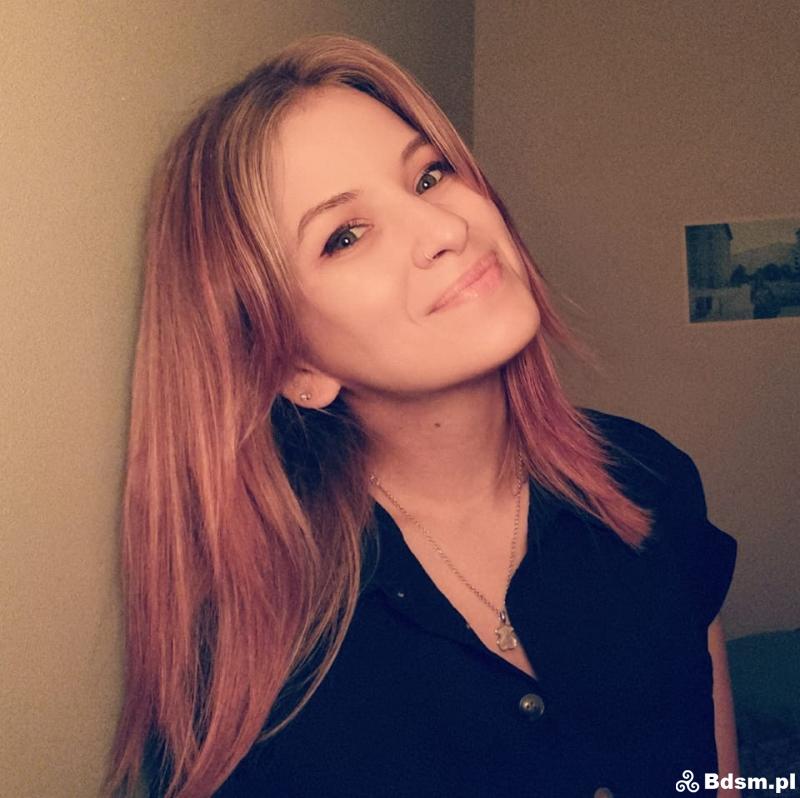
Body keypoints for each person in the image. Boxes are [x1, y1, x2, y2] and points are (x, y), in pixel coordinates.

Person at [106, 35, 738, 798]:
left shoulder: (649, 479)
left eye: (430, 175)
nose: (446, 229)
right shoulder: (250, 662)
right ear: (293, 366)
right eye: (345, 236)